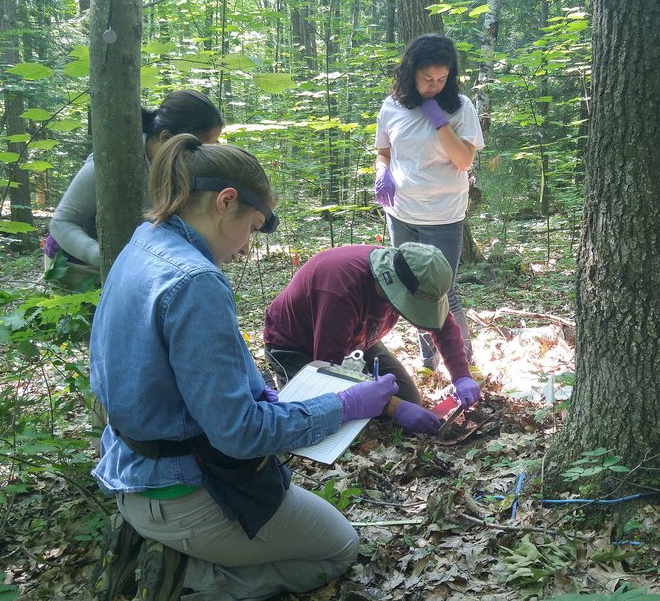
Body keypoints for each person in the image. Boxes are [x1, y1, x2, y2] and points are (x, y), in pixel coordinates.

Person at [88, 134, 398, 600]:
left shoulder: (144, 242)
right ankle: (190, 580)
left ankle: (180, 554)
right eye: (252, 227)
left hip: (130, 471)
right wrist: (345, 405)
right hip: (184, 492)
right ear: (225, 201)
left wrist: (259, 394)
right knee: (339, 548)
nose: (245, 248)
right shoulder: (196, 281)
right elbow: (240, 435)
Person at [261, 242, 482, 436]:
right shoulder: (341, 291)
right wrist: (394, 407)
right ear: (394, 288)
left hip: (361, 340)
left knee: (408, 400)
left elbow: (443, 325)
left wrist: (462, 376)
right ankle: (268, 388)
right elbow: (330, 373)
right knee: (316, 418)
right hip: (297, 346)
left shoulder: (412, 271)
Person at [373, 34, 483, 372]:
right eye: (427, 79)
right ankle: (428, 362)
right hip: (401, 212)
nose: (434, 86)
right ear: (411, 73)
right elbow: (383, 152)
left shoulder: (460, 107)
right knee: (411, 289)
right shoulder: (392, 106)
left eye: (442, 79)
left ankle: (464, 365)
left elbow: (464, 160)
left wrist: (440, 122)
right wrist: (382, 173)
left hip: (443, 215)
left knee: (442, 292)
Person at [45, 89, 224, 289]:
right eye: (198, 149)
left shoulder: (181, 168)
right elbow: (61, 223)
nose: (204, 156)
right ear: (166, 138)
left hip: (132, 263)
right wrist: (104, 257)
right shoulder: (109, 166)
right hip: (74, 264)